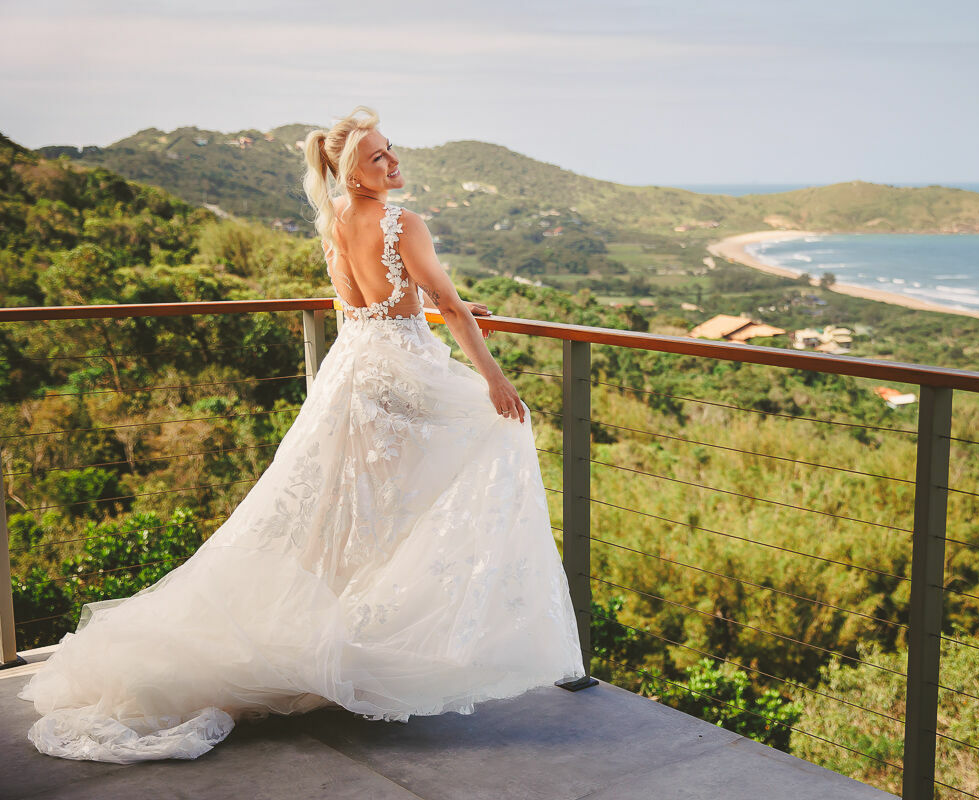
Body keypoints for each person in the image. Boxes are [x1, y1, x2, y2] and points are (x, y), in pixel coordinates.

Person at [17, 106, 586, 763]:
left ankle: (348, 636)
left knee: (347, 514)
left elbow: (369, 302)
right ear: (352, 170)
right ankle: (410, 638)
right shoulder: (405, 220)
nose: (395, 164)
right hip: (401, 373)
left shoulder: (333, 220)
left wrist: (435, 305)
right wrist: (492, 377)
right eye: (379, 158)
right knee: (497, 433)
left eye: (392, 151)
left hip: (353, 372)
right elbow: (449, 308)